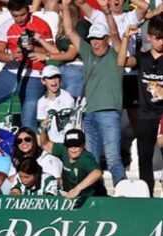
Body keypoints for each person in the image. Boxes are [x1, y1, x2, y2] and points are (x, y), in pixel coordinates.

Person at [61, 0, 127, 186]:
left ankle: (123, 196)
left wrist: (107, 13)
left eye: (99, 39)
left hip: (109, 113)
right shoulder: (88, 52)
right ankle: (96, 196)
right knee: (92, 161)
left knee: (113, 159)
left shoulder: (116, 55)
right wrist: (66, 6)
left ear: (106, 39)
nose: (95, 43)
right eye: (92, 39)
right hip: (89, 114)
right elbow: (69, 31)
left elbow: (114, 33)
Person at [0, 0, 52, 130]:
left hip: (34, 75)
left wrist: (33, 48)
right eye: (15, 16)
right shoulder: (6, 26)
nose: (19, 19)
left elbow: (52, 51)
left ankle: (30, 146)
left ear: (28, 10)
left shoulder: (41, 24)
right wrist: (12, 56)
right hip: (10, 72)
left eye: (22, 15)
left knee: (28, 118)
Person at [118, 18, 163, 196]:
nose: (161, 42)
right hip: (145, 115)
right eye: (158, 38)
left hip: (162, 116)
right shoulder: (143, 58)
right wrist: (126, 38)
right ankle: (147, 196)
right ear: (150, 37)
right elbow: (121, 62)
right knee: (144, 159)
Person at [31, 2, 88, 98]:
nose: (60, 15)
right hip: (62, 69)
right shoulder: (62, 29)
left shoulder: (80, 26)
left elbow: (71, 55)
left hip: (76, 69)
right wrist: (39, 40)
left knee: (70, 104)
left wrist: (46, 56)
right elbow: (56, 52)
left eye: (62, 11)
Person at [39, 128, 106, 198]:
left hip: (92, 197)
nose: (73, 148)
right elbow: (45, 144)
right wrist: (43, 129)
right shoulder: (63, 151)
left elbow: (97, 173)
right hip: (70, 194)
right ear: (66, 146)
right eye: (70, 145)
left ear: (84, 145)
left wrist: (77, 189)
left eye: (77, 145)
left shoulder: (85, 158)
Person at [6, 127, 62, 191]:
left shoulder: (48, 159)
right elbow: (11, 180)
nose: (23, 143)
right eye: (19, 141)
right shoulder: (16, 159)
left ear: (34, 140)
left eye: (27, 139)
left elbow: (56, 182)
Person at [36, 65, 76, 143]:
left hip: (68, 142)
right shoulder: (41, 102)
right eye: (50, 78)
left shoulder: (67, 97)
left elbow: (70, 122)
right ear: (43, 81)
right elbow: (42, 126)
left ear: (60, 79)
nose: (54, 81)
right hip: (50, 143)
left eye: (56, 77)